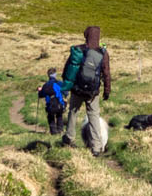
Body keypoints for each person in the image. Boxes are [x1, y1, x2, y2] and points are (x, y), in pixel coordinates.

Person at [58, 25, 112, 155]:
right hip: (92, 93)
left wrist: (67, 84)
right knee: (93, 117)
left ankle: (69, 138)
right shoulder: (103, 53)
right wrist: (107, 90)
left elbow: (68, 69)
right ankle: (97, 147)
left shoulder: (78, 49)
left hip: (77, 89)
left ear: (86, 35)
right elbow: (106, 73)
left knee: (73, 112)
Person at [38, 67, 68, 135]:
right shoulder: (59, 83)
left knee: (51, 117)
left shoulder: (45, 85)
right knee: (59, 116)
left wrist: (39, 90)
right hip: (59, 105)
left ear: (48, 75)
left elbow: (40, 95)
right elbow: (66, 92)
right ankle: (60, 130)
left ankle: (53, 132)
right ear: (55, 75)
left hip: (50, 106)